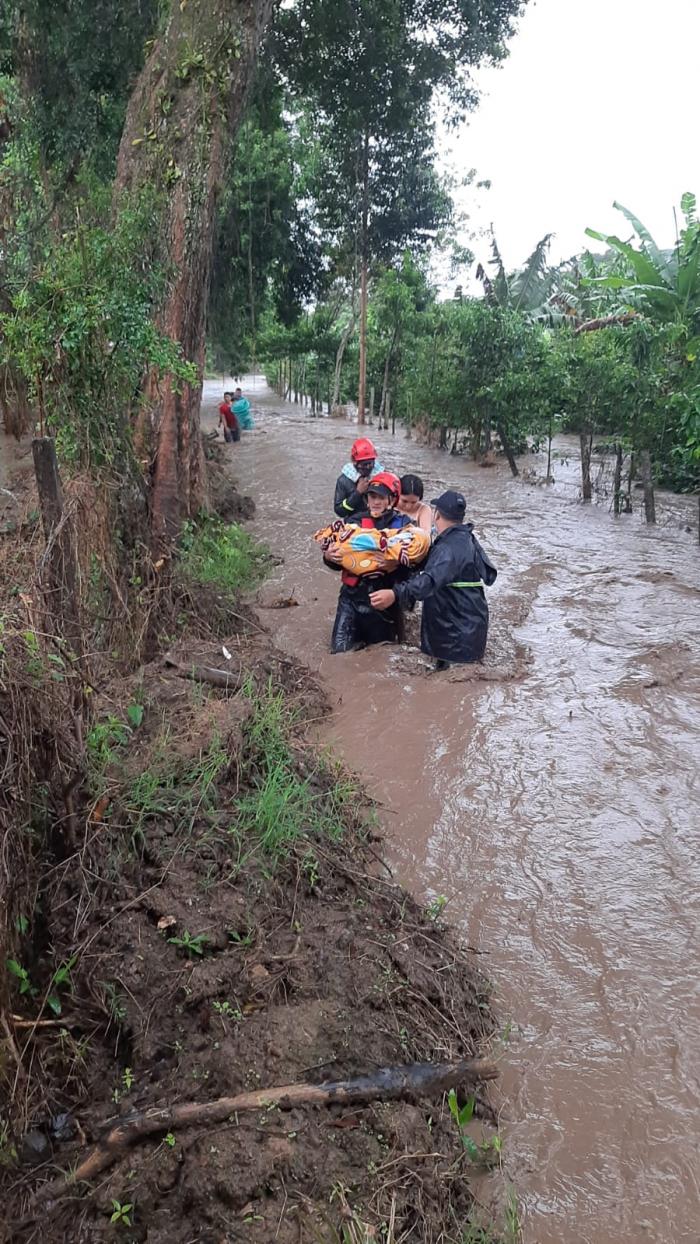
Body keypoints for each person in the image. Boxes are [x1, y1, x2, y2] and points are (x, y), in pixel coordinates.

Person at [370, 489, 497, 669]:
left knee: (447, 685)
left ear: (437, 515)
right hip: (471, 628)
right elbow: (489, 575)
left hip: (455, 636)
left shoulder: (448, 548)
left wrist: (394, 594)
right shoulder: (466, 538)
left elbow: (428, 582)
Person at [325, 472, 412, 653]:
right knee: (339, 654)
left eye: (381, 497)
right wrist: (328, 557)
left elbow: (414, 568)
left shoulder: (404, 527)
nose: (376, 502)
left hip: (383, 602)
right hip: (351, 598)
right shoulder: (353, 522)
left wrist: (393, 561)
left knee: (382, 655)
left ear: (392, 499)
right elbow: (339, 561)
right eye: (372, 496)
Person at [334, 437, 384, 521]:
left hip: (379, 521)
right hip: (354, 523)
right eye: (364, 464)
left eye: (371, 463)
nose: (368, 467)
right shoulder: (344, 481)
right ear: (354, 461)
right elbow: (339, 511)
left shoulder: (382, 476)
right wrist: (357, 493)